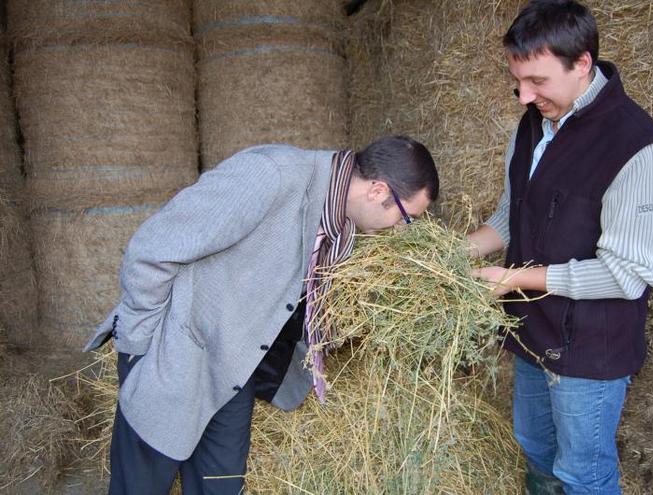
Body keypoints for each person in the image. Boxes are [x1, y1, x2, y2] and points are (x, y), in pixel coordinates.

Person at [84, 136, 439, 495]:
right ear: (378, 190)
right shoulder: (271, 175)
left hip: (234, 369)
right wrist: (138, 346)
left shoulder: (343, 223)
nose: (399, 229)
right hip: (175, 356)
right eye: (406, 217)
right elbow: (154, 248)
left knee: (221, 487)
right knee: (141, 485)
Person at [468, 1, 653, 493]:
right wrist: (455, 254)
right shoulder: (532, 124)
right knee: (535, 447)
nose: (524, 95)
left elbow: (626, 273)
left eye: (537, 81)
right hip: (531, 330)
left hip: (590, 346)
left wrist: (514, 279)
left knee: (584, 473)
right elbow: (510, 214)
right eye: (517, 80)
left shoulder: (636, 147)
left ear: (582, 63)